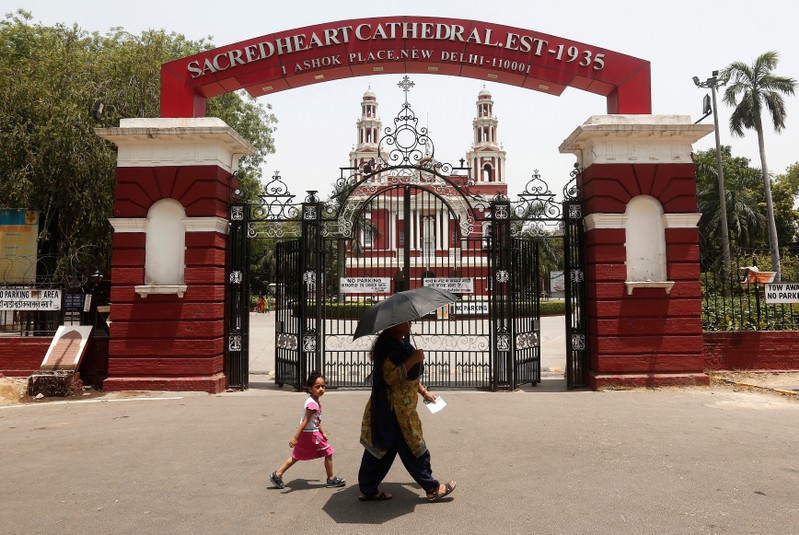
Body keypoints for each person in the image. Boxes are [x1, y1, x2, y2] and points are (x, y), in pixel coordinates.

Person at [357, 320, 456, 502]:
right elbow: (390, 377)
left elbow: (410, 378)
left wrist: (425, 392)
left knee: (382, 450)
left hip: (403, 407)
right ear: (393, 324)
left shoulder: (401, 342)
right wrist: (413, 359)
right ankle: (432, 488)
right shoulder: (388, 346)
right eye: (405, 321)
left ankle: (368, 487)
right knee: (414, 447)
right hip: (394, 410)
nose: (409, 323)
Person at [269, 371, 345, 489]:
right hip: (311, 435)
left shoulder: (313, 400)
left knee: (296, 456)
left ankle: (277, 474)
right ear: (310, 389)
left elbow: (316, 421)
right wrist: (295, 438)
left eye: (323, 386)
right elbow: (305, 421)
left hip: (310, 433)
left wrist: (323, 432)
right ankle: (331, 479)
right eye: (317, 387)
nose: (321, 389)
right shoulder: (312, 404)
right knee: (329, 452)